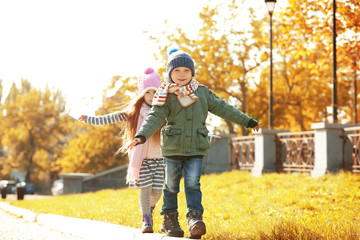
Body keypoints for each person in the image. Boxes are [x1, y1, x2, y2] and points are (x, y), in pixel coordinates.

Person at [128, 49, 261, 239]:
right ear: (170, 74)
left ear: (192, 73)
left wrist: (248, 121)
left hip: (196, 148)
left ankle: (194, 219)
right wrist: (141, 135)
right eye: (177, 71)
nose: (182, 75)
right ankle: (170, 219)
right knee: (171, 186)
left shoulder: (202, 92)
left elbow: (224, 108)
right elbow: (155, 117)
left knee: (192, 185)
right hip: (173, 148)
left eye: (186, 71)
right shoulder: (165, 94)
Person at [79, 67, 163, 234]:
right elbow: (110, 118)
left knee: (157, 191)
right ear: (142, 94)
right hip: (142, 160)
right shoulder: (134, 113)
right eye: (148, 92)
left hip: (159, 159)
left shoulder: (163, 112)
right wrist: (89, 119)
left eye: (155, 92)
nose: (152, 96)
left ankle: (150, 209)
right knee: (145, 188)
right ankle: (146, 219)